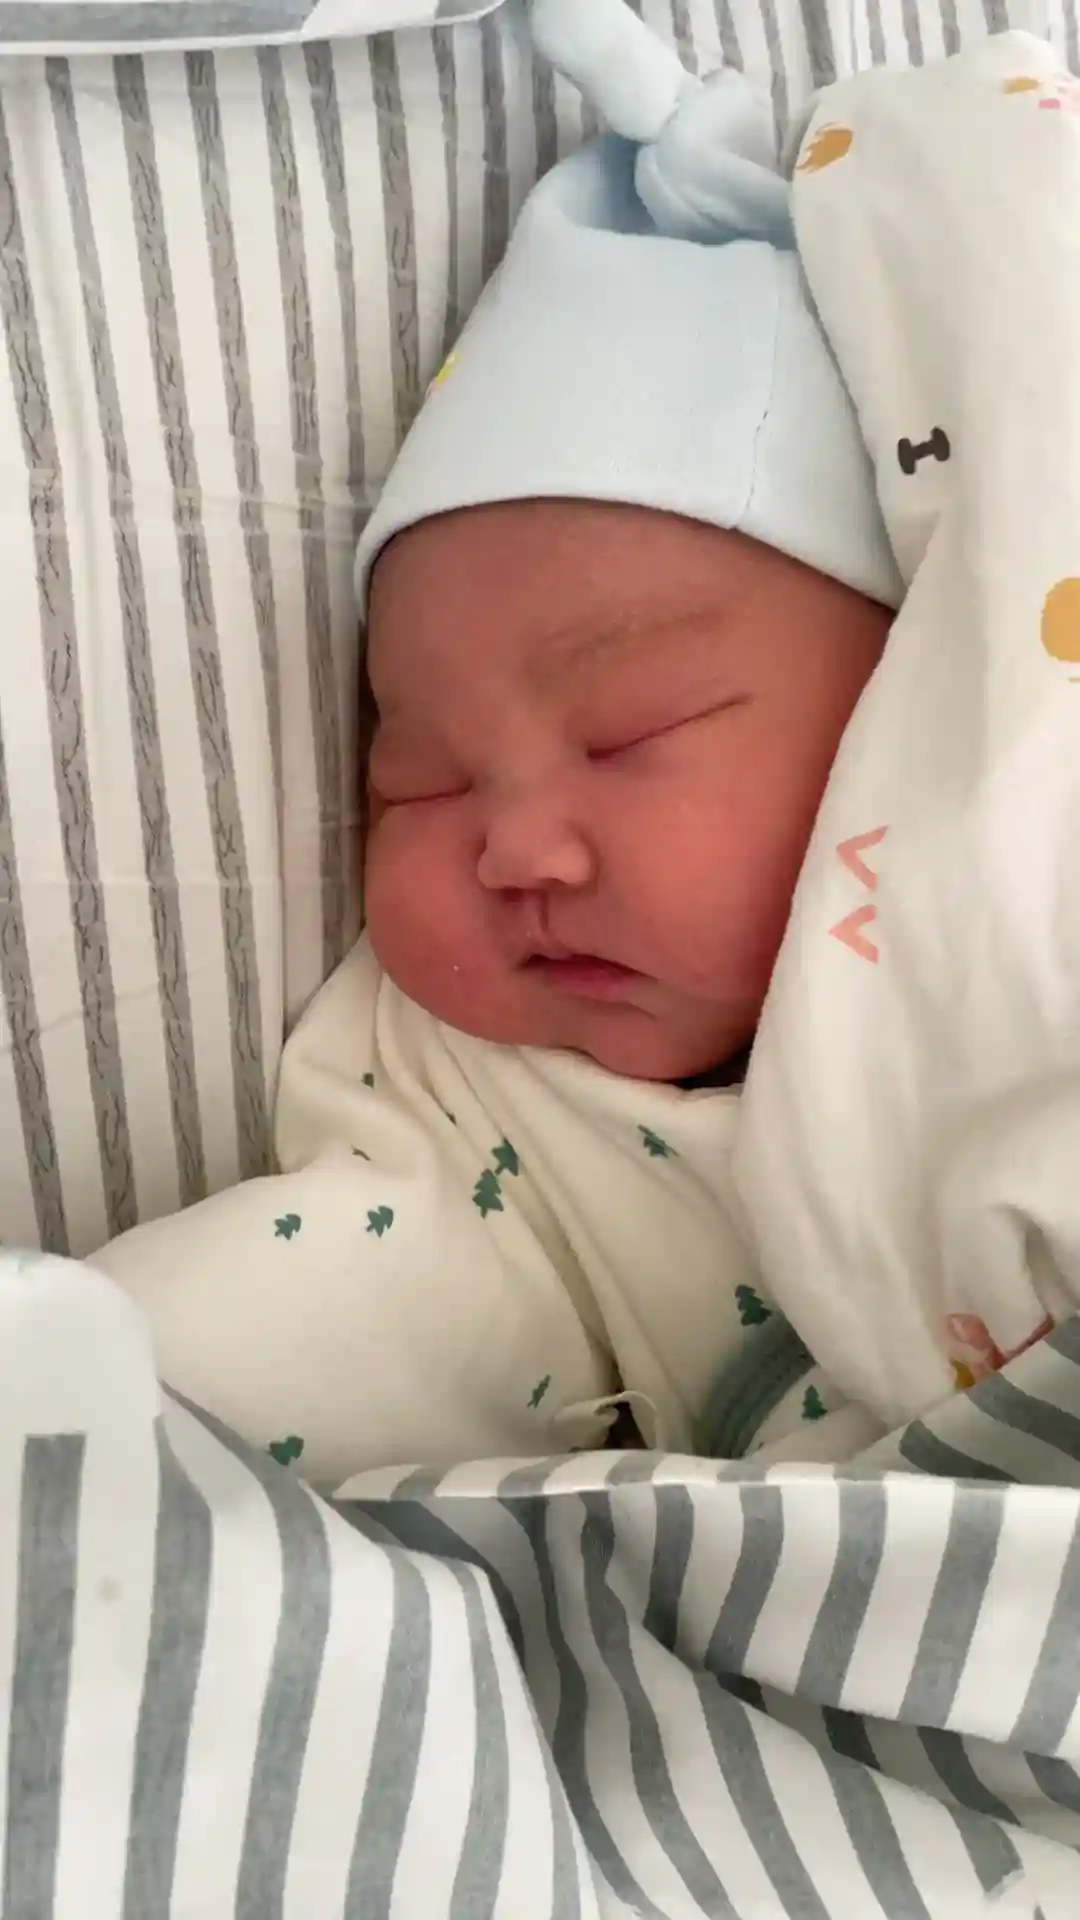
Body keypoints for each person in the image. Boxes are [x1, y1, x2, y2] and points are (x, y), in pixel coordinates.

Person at [90, 10, 900, 1489]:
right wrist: (83, 1395)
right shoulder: (480, 1101)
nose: (512, 848)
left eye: (632, 735)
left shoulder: (1004, 926)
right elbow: (348, 1295)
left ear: (903, 702)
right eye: (422, 779)